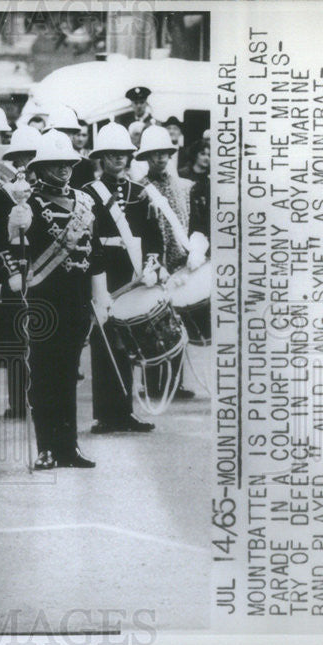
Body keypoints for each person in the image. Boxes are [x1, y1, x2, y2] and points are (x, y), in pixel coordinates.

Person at [7, 131, 102, 469]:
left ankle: (68, 447)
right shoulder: (28, 203)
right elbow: (12, 250)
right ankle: (46, 447)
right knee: (45, 375)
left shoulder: (85, 202)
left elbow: (97, 254)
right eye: (56, 164)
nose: (64, 170)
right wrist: (16, 230)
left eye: (68, 164)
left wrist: (100, 298)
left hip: (76, 301)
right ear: (42, 168)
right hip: (44, 299)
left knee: (69, 374)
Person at [82, 122, 164, 434]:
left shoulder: (141, 193)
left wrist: (152, 265)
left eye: (123, 154)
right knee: (103, 343)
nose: (118, 159)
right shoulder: (88, 193)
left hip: (133, 272)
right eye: (111, 154)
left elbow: (153, 236)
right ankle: (104, 414)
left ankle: (125, 411)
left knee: (128, 343)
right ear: (100, 158)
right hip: (102, 275)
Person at [135, 125, 196, 400]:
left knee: (178, 321)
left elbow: (189, 221)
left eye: (164, 154)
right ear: (147, 157)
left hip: (180, 261)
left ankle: (177, 381)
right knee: (153, 324)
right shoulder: (139, 190)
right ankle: (152, 382)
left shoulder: (184, 187)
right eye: (154, 154)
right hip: (154, 263)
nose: (160, 159)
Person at [0, 126, 40, 419]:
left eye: (32, 158)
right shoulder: (2, 194)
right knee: (16, 340)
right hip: (15, 270)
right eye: (22, 158)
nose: (27, 164)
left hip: (43, 268)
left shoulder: (45, 192)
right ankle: (18, 401)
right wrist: (9, 272)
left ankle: (41, 396)